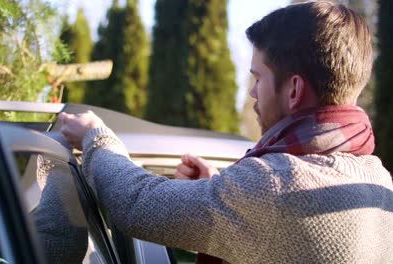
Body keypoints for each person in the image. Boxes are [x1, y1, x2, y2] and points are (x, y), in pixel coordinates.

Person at [59, 1, 393, 263]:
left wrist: (95, 137)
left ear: (293, 90)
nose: (252, 93)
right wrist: (220, 188)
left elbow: (135, 204)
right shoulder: (377, 180)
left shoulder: (272, 185)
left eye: (258, 78)